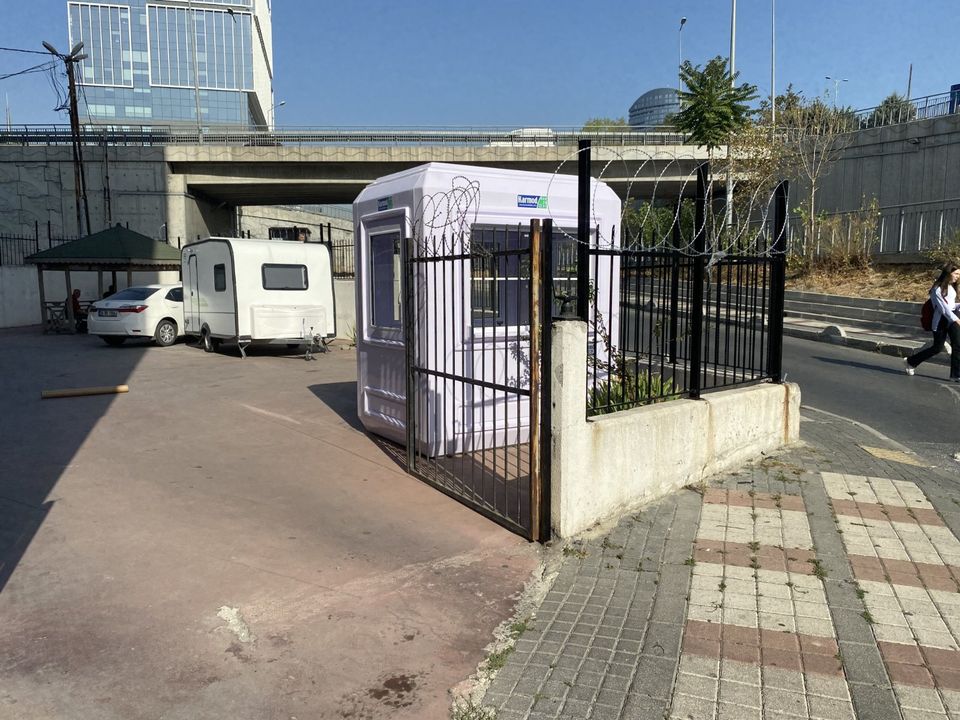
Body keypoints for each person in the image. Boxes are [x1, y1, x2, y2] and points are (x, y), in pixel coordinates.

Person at [905, 262, 960, 381]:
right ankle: (911, 361)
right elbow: (943, 309)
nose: (957, 276)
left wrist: (958, 306)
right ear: (948, 273)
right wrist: (956, 319)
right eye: (956, 273)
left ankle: (955, 375)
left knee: (958, 345)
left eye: (959, 274)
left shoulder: (951, 288)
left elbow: (950, 305)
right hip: (941, 321)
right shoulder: (936, 289)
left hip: (951, 319)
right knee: (937, 348)